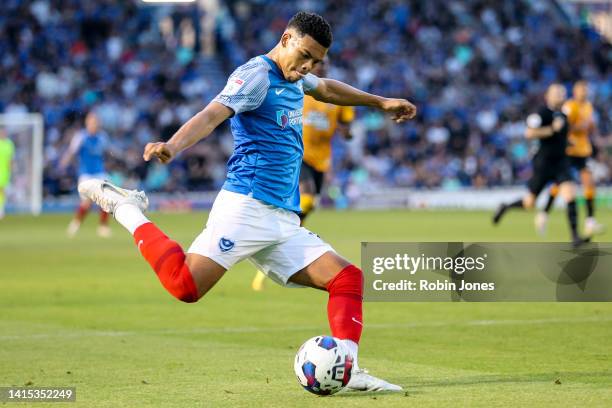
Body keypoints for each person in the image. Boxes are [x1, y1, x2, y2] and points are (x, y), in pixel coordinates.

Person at [79, 12, 416, 391]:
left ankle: (347, 368)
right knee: (184, 286)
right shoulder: (255, 75)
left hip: (282, 219)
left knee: (347, 278)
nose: (307, 65)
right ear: (286, 38)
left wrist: (381, 102)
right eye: (304, 54)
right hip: (245, 207)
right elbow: (211, 115)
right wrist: (173, 145)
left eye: (315, 60)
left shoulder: (297, 77)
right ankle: (126, 207)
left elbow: (327, 89)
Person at [251, 57, 354, 291]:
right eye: (319, 62)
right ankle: (284, 243)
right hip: (298, 155)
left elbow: (346, 126)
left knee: (309, 205)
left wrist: (347, 133)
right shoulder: (299, 89)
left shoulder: (336, 96)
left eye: (326, 62)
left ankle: (283, 247)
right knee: (306, 199)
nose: (323, 65)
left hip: (321, 160)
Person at [492, 83, 588, 248]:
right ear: (548, 96)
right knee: (530, 203)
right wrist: (551, 129)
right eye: (556, 93)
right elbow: (529, 133)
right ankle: (505, 206)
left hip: (561, 162)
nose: (560, 95)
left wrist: (567, 142)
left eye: (562, 93)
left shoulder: (564, 115)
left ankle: (575, 237)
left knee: (570, 194)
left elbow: (562, 136)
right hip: (543, 163)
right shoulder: (541, 113)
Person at [536, 81, 604, 236]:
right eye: (581, 90)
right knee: (559, 185)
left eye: (586, 90)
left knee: (589, 182)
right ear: (575, 91)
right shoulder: (569, 106)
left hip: (582, 150)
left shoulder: (588, 106)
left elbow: (589, 127)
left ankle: (590, 221)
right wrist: (580, 127)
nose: (584, 93)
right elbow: (565, 127)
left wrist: (591, 128)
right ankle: (544, 213)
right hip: (568, 150)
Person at [61, 112, 112, 237]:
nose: (94, 124)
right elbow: (72, 151)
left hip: (100, 172)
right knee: (87, 202)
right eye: (92, 122)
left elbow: (108, 152)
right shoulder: (81, 136)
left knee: (106, 199)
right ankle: (76, 223)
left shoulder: (102, 137)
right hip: (85, 174)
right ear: (87, 123)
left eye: (96, 122)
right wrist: (64, 163)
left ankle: (103, 227)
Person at [0, 129, 15, 219]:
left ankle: (1, 209)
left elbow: (11, 159)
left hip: (4, 171)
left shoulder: (9, 144)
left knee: (1, 189)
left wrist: (11, 169)